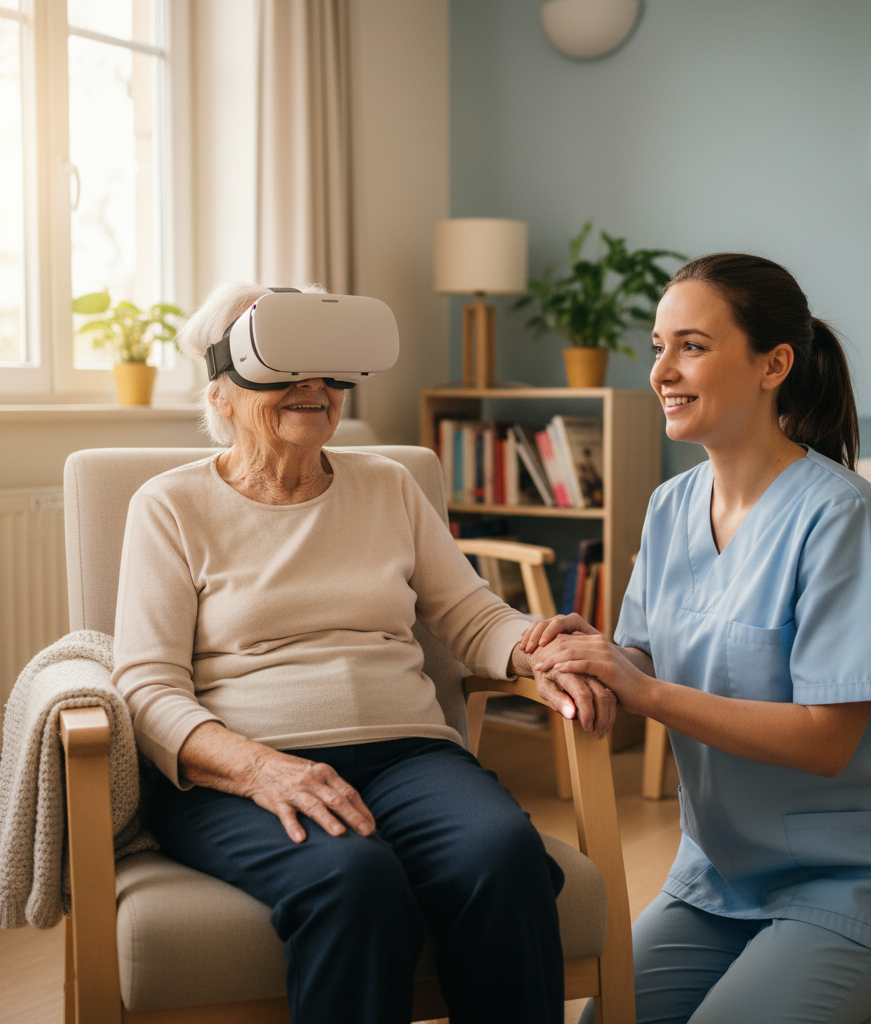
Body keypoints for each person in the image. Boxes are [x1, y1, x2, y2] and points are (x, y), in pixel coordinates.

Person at [111, 282, 616, 1024]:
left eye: (324, 364)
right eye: (282, 360)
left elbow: (473, 617)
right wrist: (257, 767)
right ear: (222, 393)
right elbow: (147, 686)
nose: (312, 383)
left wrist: (534, 648)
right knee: (355, 882)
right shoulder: (170, 505)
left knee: (504, 857)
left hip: (410, 757)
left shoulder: (390, 486)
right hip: (244, 774)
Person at [521, 254, 871, 1024]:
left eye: (691, 345)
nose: (662, 371)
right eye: (657, 347)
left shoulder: (841, 518)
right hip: (720, 872)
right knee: (599, 1020)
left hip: (851, 877)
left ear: (773, 365)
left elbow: (826, 741)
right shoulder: (670, 506)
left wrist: (643, 690)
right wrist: (590, 656)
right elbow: (642, 654)